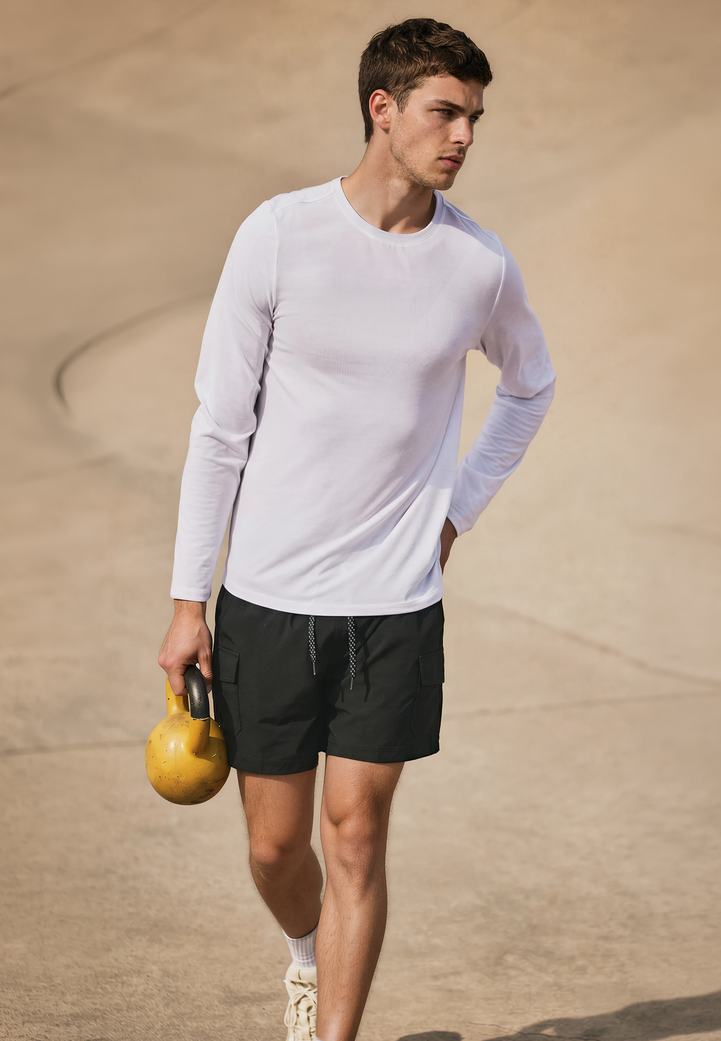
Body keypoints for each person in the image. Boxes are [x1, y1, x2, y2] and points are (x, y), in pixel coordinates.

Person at [158, 16, 555, 1041]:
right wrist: (188, 602)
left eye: (473, 117)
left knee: (355, 838)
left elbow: (530, 387)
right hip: (268, 600)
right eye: (444, 112)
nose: (463, 135)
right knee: (273, 849)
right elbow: (219, 428)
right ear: (382, 109)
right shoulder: (279, 236)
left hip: (394, 605)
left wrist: (455, 512)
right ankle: (305, 953)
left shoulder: (477, 264)